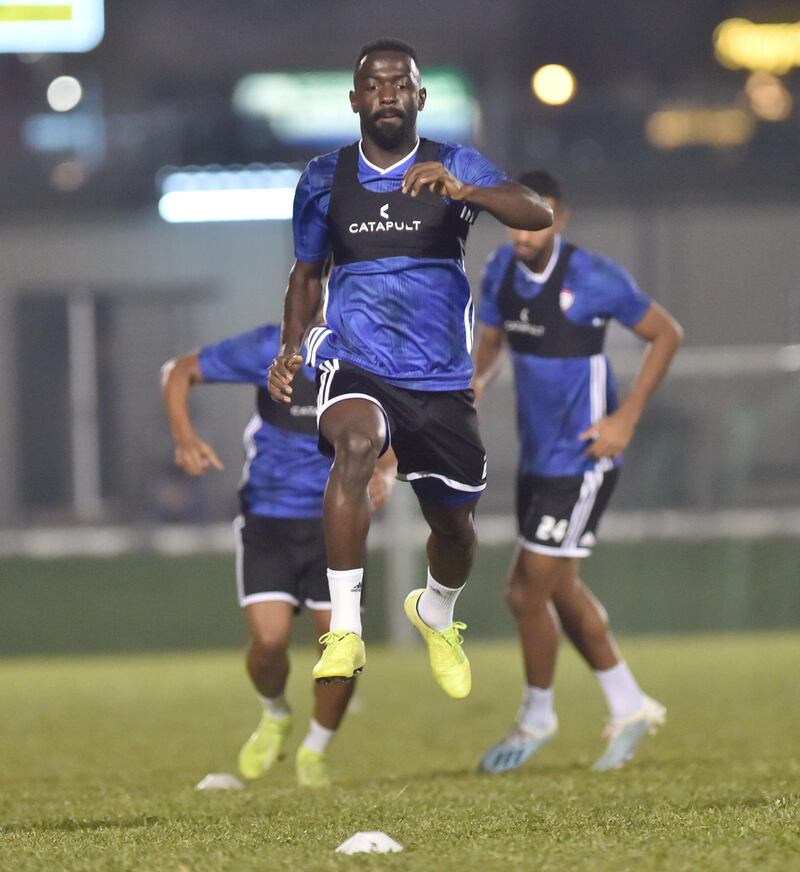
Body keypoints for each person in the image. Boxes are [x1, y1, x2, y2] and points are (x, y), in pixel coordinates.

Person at [268, 38, 553, 696]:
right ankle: (343, 629)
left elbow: (534, 213)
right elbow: (306, 276)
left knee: (455, 527)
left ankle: (435, 612)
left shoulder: (455, 163)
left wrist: (465, 190)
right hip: (355, 360)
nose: (387, 94)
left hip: (441, 380)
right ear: (355, 99)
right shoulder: (323, 179)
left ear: (420, 97)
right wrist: (291, 347)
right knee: (355, 445)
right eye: (374, 85)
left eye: (401, 85)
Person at [473, 170, 683, 772]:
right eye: (511, 215)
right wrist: (475, 383)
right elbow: (491, 342)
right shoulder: (499, 274)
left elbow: (666, 334)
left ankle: (537, 716)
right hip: (537, 461)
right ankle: (630, 702)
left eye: (533, 215)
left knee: (522, 591)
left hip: (583, 460)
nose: (521, 227)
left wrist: (626, 419)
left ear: (558, 218)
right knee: (557, 590)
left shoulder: (591, 275)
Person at [161, 323, 394, 788]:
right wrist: (184, 437)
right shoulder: (272, 346)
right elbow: (179, 371)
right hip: (268, 516)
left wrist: (385, 468)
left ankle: (316, 749)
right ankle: (275, 712)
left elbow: (413, 412)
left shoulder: (374, 347)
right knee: (268, 644)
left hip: (336, 522)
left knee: (339, 646)